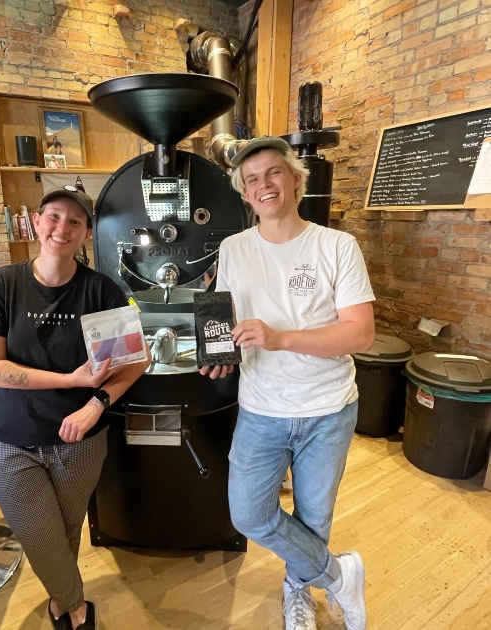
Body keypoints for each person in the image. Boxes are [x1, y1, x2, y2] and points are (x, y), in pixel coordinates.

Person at [201, 137, 375, 630]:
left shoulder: (337, 246)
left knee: (313, 519)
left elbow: (360, 333)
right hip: (260, 407)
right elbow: (226, 319)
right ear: (244, 192)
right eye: (252, 179)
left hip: (328, 407)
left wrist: (279, 339)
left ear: (296, 180)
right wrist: (218, 354)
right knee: (250, 515)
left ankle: (298, 589)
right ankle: (339, 575)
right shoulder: (233, 248)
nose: (264, 185)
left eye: (273, 173)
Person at [0, 185, 150, 630]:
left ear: (87, 233)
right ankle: (73, 606)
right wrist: (71, 380)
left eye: (75, 221)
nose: (62, 228)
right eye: (53, 216)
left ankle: (60, 604)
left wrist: (96, 403)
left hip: (79, 441)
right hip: (9, 440)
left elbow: (137, 361)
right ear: (36, 221)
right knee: (41, 537)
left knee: (64, 533)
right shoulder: (4, 284)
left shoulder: (101, 291)